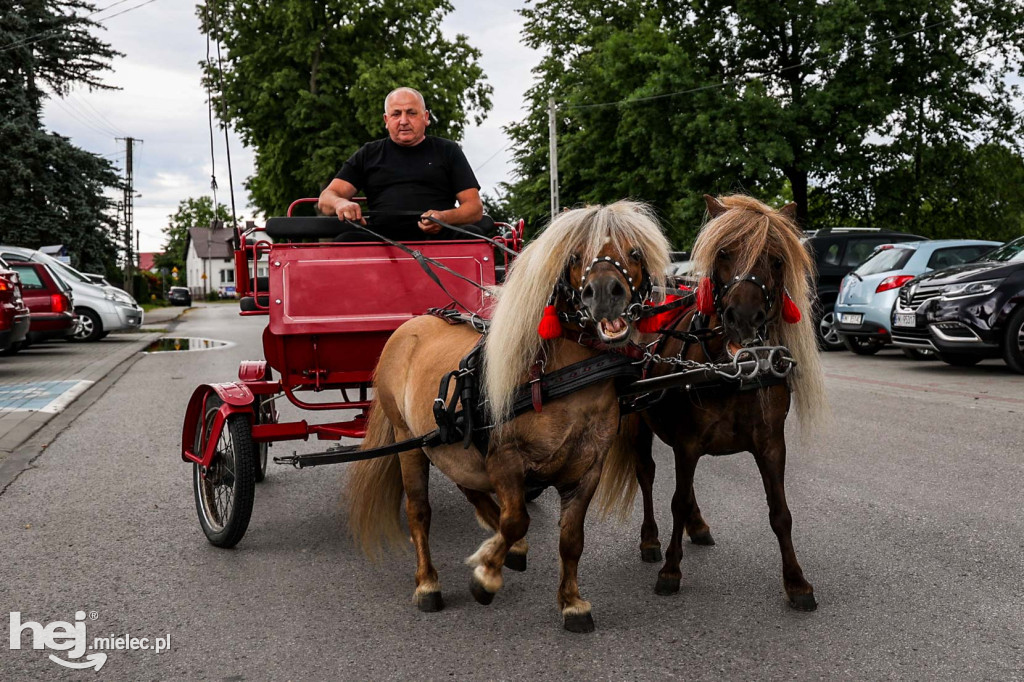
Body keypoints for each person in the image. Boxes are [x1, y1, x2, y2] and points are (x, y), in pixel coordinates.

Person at [318, 87, 489, 241]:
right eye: (396, 114)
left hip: (439, 239)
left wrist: (444, 218)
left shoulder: (448, 150)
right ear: (386, 120)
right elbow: (326, 199)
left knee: (471, 235)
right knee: (346, 241)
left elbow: (474, 208)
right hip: (380, 240)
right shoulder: (369, 153)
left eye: (411, 113)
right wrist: (341, 203)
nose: (404, 120)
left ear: (426, 117)